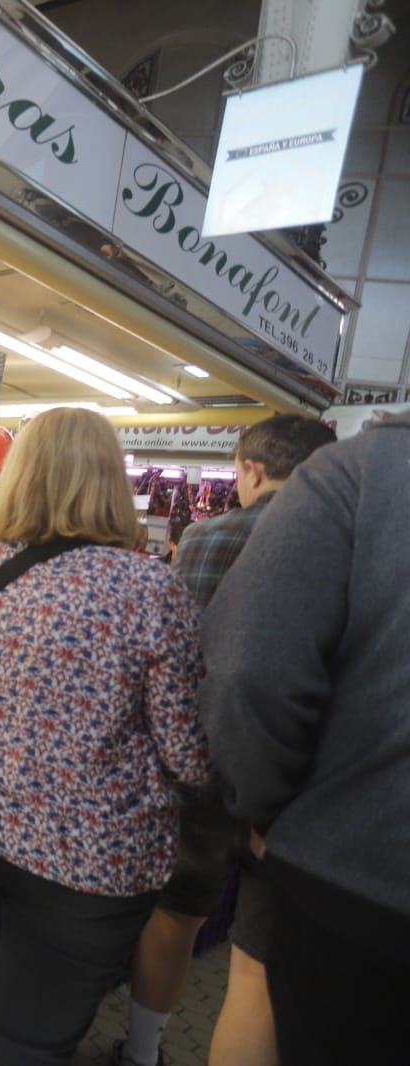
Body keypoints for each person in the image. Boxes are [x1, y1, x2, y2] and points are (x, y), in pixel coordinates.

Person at [0, 408, 207, 1066]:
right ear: (109, 482)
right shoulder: (151, 589)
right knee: (25, 1037)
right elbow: (186, 753)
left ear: (17, 475)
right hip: (81, 857)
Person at [117, 415, 336, 1066]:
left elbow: (170, 648)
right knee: (258, 952)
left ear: (250, 470)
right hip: (293, 777)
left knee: (175, 917)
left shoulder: (206, 537)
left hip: (194, 759)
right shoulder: (338, 543)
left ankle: (140, 1050)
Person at [198, 411, 410, 1063]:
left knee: (256, 989)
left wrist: (260, 808)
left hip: (345, 873)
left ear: (252, 468)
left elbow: (249, 669)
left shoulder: (360, 474)